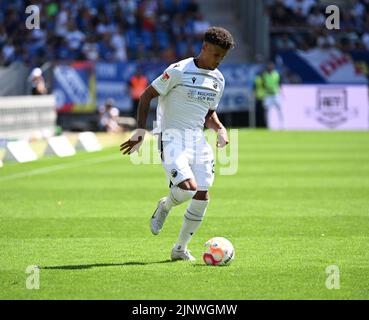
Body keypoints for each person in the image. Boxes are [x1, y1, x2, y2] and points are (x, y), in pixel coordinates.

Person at [120, 27, 234, 261]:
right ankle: (165, 205)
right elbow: (145, 96)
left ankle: (180, 249)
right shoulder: (178, 71)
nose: (218, 60)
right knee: (187, 189)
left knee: (202, 196)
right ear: (204, 48)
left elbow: (209, 114)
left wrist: (220, 129)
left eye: (222, 57)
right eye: (215, 54)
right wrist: (141, 130)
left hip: (197, 139)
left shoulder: (218, 80)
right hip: (171, 136)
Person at [262, 62, 283, 129]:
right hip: (268, 95)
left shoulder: (276, 74)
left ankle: (281, 125)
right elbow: (263, 84)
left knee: (279, 109)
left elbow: (279, 83)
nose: (270, 67)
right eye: (269, 66)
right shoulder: (265, 75)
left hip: (276, 94)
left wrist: (280, 91)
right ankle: (268, 126)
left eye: (271, 66)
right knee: (267, 111)